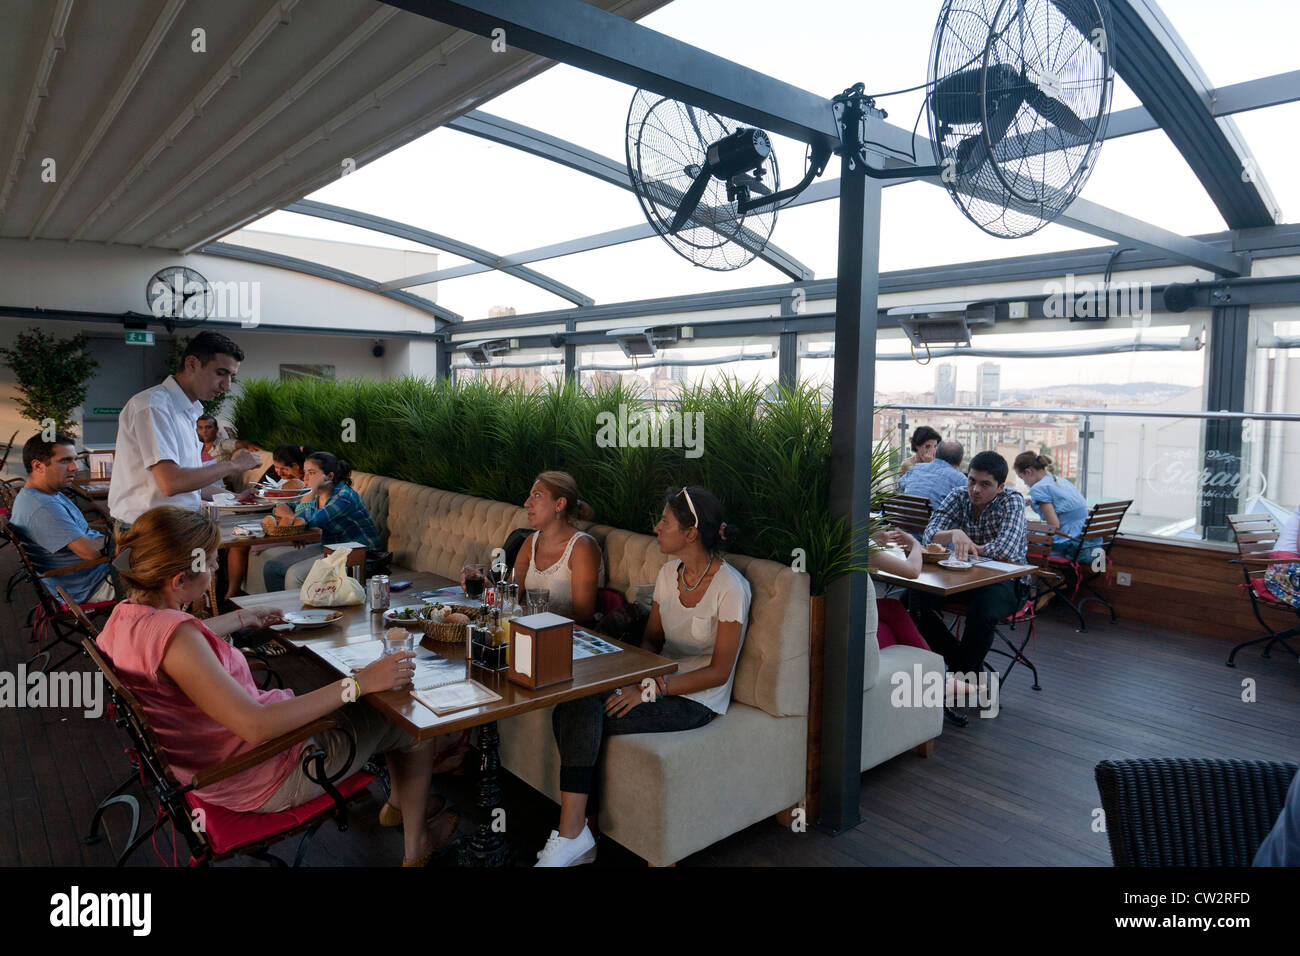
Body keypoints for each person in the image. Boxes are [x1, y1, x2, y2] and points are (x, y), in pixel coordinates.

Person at [95, 506, 456, 865]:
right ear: (178, 581)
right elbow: (257, 725)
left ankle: (399, 805)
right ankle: (416, 840)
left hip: (215, 770)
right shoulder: (179, 637)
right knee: (405, 716)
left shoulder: (124, 618)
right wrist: (358, 684)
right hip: (264, 775)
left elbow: (176, 653)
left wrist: (240, 618)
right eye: (211, 562)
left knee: (374, 699)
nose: (218, 567)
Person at [536, 486, 750, 866]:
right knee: (575, 701)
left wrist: (651, 689)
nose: (656, 527)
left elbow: (719, 672)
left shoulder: (731, 587)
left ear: (690, 533)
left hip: (694, 700)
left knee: (582, 712)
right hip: (656, 682)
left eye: (664, 522)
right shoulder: (670, 573)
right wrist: (633, 680)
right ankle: (579, 832)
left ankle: (575, 833)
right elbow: (651, 640)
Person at [108, 331, 260, 533]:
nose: (227, 386)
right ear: (192, 364)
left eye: (231, 377)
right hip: (150, 532)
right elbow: (172, 482)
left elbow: (190, 482)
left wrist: (233, 497)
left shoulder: (187, 411)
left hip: (175, 526)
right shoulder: (154, 406)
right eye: (220, 373)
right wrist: (233, 465)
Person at [914, 451, 1027, 676]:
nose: (976, 489)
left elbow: (1005, 550)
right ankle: (962, 665)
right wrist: (953, 534)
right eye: (972, 480)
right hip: (963, 578)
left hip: (1006, 582)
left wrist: (966, 546)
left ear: (1001, 486)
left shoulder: (1012, 500)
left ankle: (962, 671)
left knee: (983, 610)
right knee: (913, 600)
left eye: (985, 484)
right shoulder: (958, 495)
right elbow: (929, 536)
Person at [9, 433, 115, 604]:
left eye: (74, 460)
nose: (74, 467)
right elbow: (90, 552)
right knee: (170, 570)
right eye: (65, 461)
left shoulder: (46, 494)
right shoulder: (42, 508)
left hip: (93, 574)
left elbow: (83, 533)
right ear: (38, 466)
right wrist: (122, 539)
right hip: (96, 583)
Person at [262, 451, 378, 593]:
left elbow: (309, 521)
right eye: (305, 472)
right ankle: (280, 613)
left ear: (329, 476)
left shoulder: (343, 497)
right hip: (331, 547)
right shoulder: (318, 495)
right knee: (272, 567)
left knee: (295, 575)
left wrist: (310, 491)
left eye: (311, 473)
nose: (305, 478)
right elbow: (280, 507)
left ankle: (300, 615)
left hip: (360, 555)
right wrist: (295, 518)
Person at [510, 471, 604, 624]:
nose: (527, 503)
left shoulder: (582, 547)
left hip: (564, 639)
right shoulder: (531, 542)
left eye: (537, 495)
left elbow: (583, 617)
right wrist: (484, 585)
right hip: (529, 630)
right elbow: (509, 597)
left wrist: (532, 618)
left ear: (559, 504)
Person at [1013, 451, 1091, 557]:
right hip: (1083, 537)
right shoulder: (1059, 480)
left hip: (1068, 540)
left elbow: (1054, 525)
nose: (1024, 482)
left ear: (1028, 472)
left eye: (1022, 478)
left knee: (1018, 541)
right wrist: (1035, 506)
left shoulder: (1038, 488)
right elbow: (1062, 513)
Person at [900, 439, 966, 509]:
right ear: (960, 461)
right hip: (931, 519)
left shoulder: (915, 468)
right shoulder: (961, 480)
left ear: (935, 455)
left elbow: (898, 490)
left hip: (901, 519)